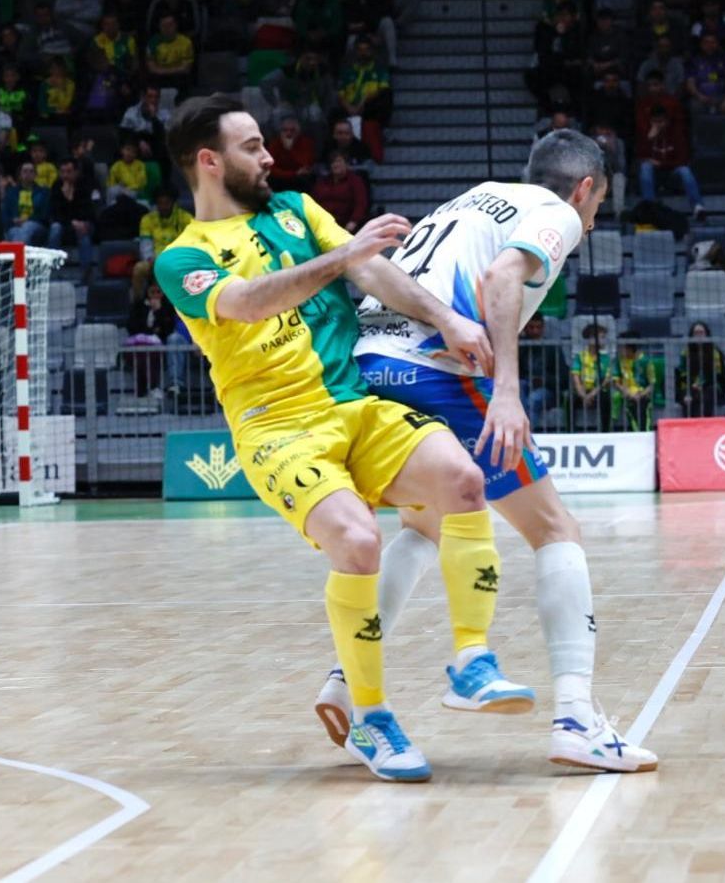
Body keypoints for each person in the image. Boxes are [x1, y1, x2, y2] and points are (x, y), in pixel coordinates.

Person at [156, 94, 507, 783]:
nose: (269, 157)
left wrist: (448, 321)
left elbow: (370, 269)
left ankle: (473, 660)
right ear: (209, 161)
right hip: (278, 428)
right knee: (358, 540)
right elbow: (250, 302)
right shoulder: (182, 258)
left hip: (353, 406)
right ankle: (371, 717)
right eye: (252, 147)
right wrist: (345, 251)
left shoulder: (295, 209)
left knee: (463, 480)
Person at [347, 136, 654, 775]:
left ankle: (346, 683)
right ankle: (576, 721)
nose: (592, 221)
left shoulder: (474, 199)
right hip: (436, 369)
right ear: (584, 189)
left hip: (371, 362)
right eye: (598, 204)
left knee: (422, 527)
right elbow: (501, 278)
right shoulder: (557, 212)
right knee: (556, 530)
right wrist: (506, 393)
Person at [637, 105, 704, 216]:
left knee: (685, 170)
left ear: (667, 121)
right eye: (655, 122)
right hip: (655, 175)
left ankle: (698, 207)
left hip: (672, 173)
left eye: (660, 121)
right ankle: (649, 207)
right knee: (645, 167)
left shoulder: (676, 133)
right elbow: (641, 157)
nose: (658, 125)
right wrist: (649, 139)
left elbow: (682, 160)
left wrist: (661, 164)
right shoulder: (646, 133)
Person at [48, 159, 96, 274]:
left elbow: (89, 212)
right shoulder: (56, 186)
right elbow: (55, 213)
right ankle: (51, 270)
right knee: (55, 229)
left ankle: (86, 274)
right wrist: (67, 200)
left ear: (76, 172)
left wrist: (71, 199)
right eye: (62, 172)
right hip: (64, 223)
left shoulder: (85, 185)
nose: (65, 175)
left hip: (84, 223)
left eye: (69, 172)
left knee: (83, 233)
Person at [518, 316, 567, 429]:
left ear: (543, 328)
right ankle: (520, 430)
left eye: (538, 327)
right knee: (520, 386)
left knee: (534, 399)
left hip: (548, 390)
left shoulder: (552, 347)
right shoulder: (519, 347)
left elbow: (564, 379)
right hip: (525, 386)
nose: (535, 331)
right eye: (531, 327)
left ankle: (527, 433)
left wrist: (544, 381)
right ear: (525, 328)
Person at [677, 321, 725, 417]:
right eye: (696, 333)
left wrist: (702, 384)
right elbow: (682, 373)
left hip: (711, 385)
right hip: (691, 386)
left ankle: (703, 424)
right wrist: (692, 386)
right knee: (688, 398)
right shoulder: (685, 352)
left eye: (701, 332)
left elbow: (718, 375)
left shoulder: (715, 352)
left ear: (707, 334)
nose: (699, 336)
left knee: (705, 395)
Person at [609, 332, 655, 431]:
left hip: (642, 395)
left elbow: (651, 385)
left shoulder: (646, 361)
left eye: (622, 347)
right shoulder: (618, 361)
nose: (619, 350)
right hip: (626, 394)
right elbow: (616, 383)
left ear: (630, 348)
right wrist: (629, 393)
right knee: (628, 405)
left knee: (644, 407)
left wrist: (641, 394)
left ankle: (645, 432)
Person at [313, 153, 369, 232]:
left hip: (345, 223)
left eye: (339, 161)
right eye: (333, 162)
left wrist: (353, 221)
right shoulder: (323, 182)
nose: (335, 165)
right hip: (323, 223)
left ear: (346, 164)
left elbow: (361, 204)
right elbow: (314, 202)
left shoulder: (355, 181)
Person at [570, 322, 611, 429]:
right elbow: (576, 378)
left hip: (598, 390)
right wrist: (583, 396)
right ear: (592, 339)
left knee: (606, 398)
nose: (604, 341)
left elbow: (606, 380)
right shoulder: (580, 357)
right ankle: (570, 431)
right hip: (583, 391)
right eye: (601, 337)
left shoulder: (605, 358)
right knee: (569, 398)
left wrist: (591, 395)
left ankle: (606, 431)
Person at [138, 186, 192, 261]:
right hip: (156, 260)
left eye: (167, 203)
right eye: (160, 203)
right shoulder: (147, 220)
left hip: (179, 259)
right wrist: (150, 259)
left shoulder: (186, 218)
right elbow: (146, 246)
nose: (163, 207)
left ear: (174, 203)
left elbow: (191, 244)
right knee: (140, 267)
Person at [2, 161, 49, 245]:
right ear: (20, 175)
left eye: (31, 171)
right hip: (15, 226)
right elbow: (5, 215)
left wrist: (27, 220)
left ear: (35, 175)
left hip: (36, 226)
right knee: (15, 232)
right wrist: (14, 221)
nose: (28, 174)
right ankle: (20, 251)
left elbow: (45, 215)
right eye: (25, 171)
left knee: (27, 226)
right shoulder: (11, 192)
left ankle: (16, 251)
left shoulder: (43, 192)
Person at [268, 115, 318, 192]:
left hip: (299, 179)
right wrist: (292, 174)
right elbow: (271, 168)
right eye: (285, 130)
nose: (288, 133)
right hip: (281, 179)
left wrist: (290, 149)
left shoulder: (306, 143)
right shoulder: (275, 144)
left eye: (292, 130)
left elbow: (305, 165)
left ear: (298, 132)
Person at [145, 12, 195, 88]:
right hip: (159, 79)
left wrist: (162, 70)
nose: (167, 28)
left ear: (176, 25)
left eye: (170, 25)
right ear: (159, 27)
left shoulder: (186, 42)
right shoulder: (152, 42)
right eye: (163, 25)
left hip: (180, 78)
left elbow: (186, 68)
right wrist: (176, 69)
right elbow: (151, 68)